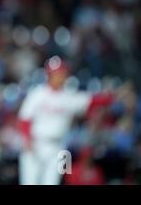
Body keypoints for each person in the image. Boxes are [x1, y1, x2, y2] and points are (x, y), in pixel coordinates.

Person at [17, 56, 116, 185]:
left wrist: (114, 95)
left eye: (63, 73)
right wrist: (27, 139)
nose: (61, 76)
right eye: (57, 73)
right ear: (49, 74)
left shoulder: (69, 96)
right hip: (36, 144)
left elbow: (93, 100)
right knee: (30, 182)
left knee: (53, 182)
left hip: (60, 147)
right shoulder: (37, 94)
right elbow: (24, 119)